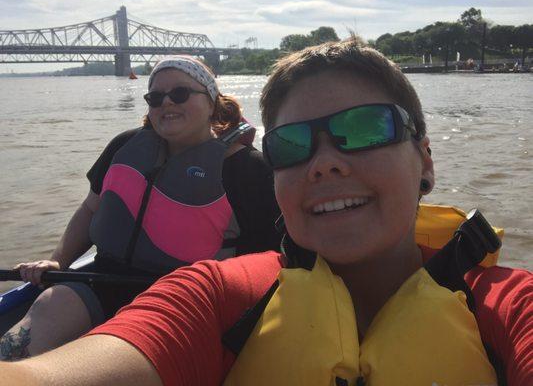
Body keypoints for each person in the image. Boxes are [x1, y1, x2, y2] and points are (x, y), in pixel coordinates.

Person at [2, 39, 531, 385]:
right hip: (98, 280)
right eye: (292, 145)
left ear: (426, 160)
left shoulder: (509, 309)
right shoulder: (217, 297)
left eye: (367, 128)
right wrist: (57, 262)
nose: (323, 163)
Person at [0, 56, 281, 360]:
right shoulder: (125, 146)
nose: (167, 103)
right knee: (42, 314)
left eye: (180, 94)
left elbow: (271, 258)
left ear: (212, 102)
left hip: (189, 299)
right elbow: (90, 210)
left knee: (118, 355)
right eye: (156, 97)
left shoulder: (249, 170)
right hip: (102, 279)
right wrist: (57, 261)